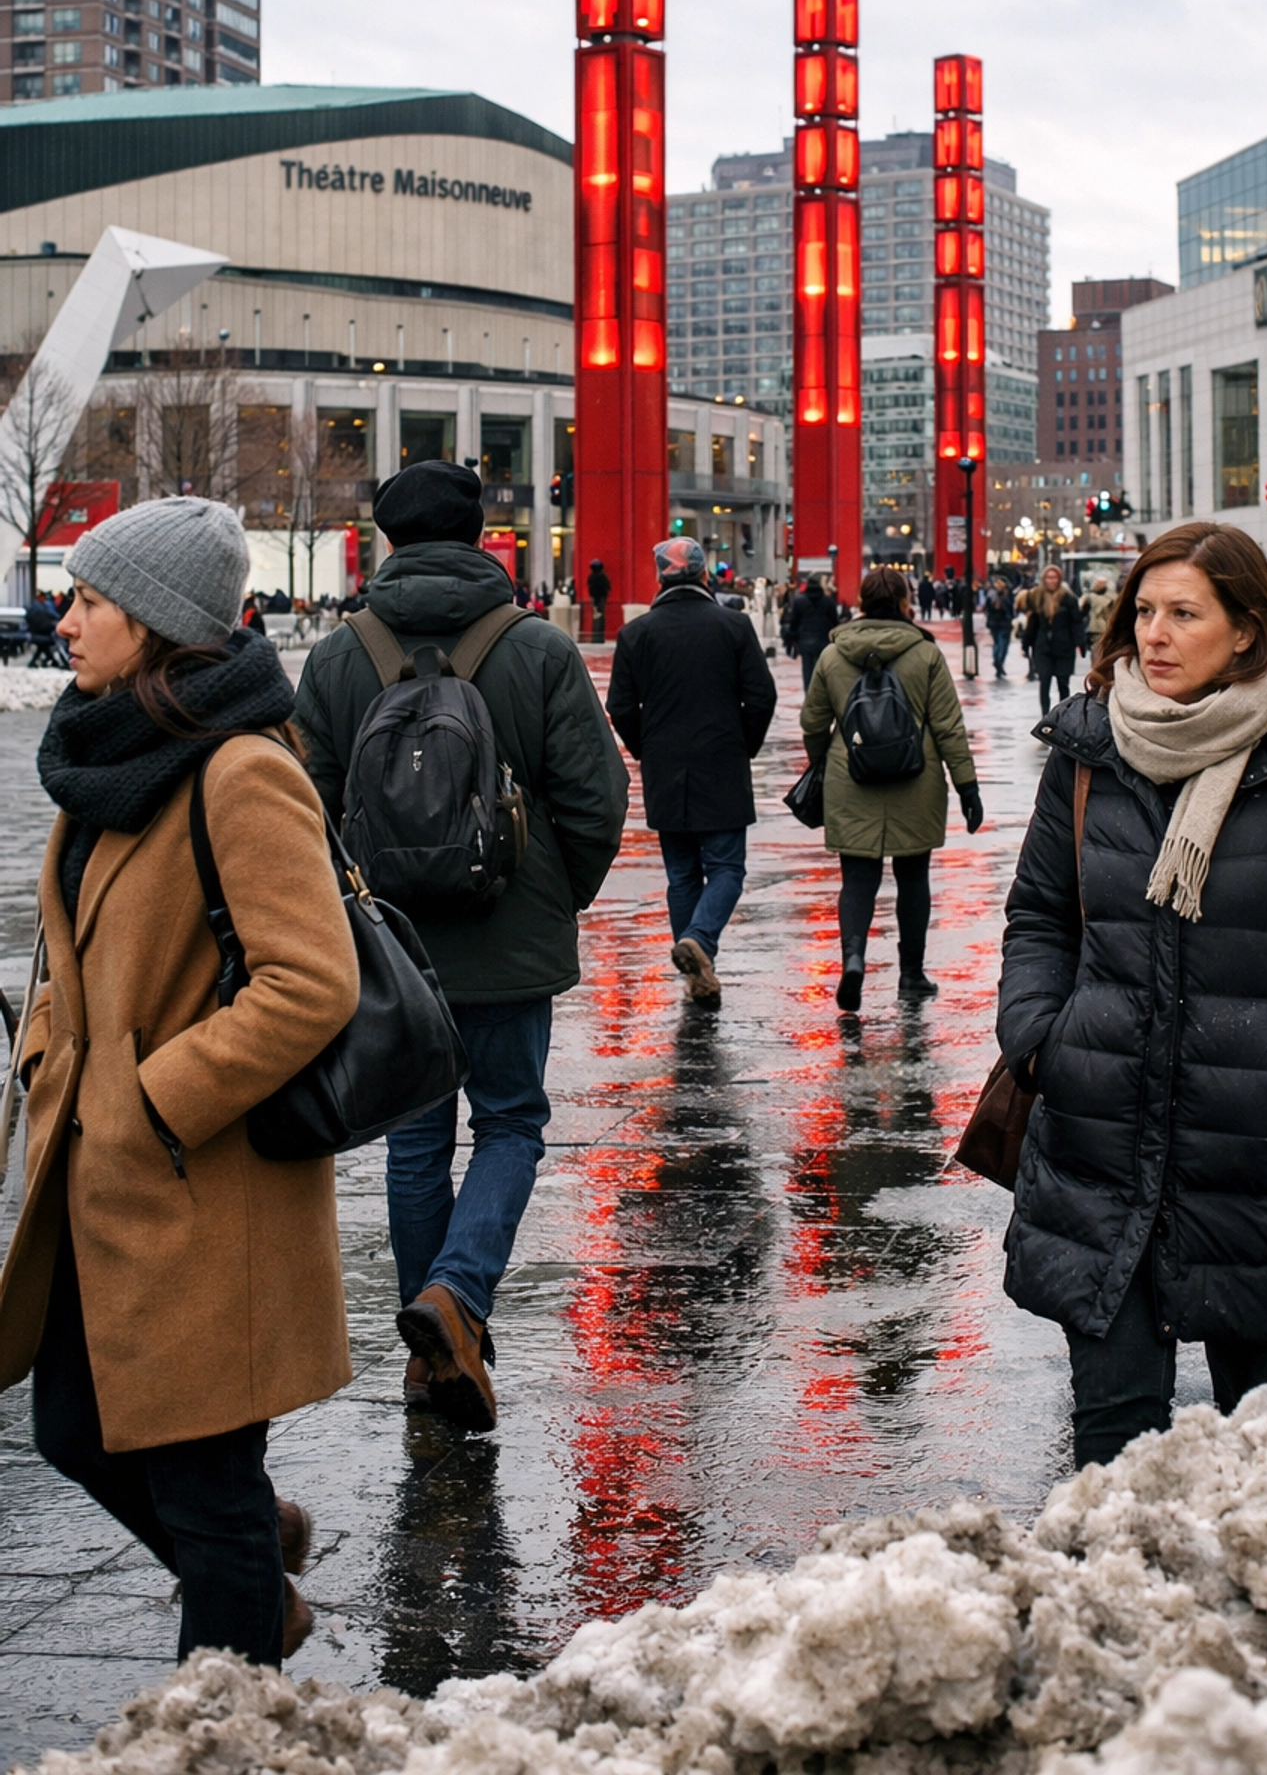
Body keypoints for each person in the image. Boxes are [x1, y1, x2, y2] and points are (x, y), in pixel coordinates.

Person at [0, 496, 361, 1668]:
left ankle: (227, 1718)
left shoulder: (239, 770)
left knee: (203, 1492)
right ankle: (256, 1568)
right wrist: (52, 1050)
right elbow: (74, 947)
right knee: (71, 1428)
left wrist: (158, 1098)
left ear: (153, 623)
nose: (67, 618)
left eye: (92, 601)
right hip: (105, 1180)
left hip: (206, 1197)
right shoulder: (101, 750)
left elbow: (312, 984)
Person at [996, 520, 1267, 1471]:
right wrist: (1040, 1039)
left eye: (1183, 613)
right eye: (1143, 611)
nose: (1152, 632)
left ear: (1246, 629)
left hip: (1264, 1155)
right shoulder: (1089, 756)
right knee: (1112, 1451)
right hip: (1101, 1143)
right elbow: (1039, 917)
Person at [294, 461, 627, 1433]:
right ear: (483, 535)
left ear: (388, 539)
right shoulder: (535, 646)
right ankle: (458, 1300)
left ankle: (429, 1353)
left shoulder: (339, 655)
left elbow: (303, 806)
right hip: (507, 936)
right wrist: (554, 898)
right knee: (512, 1123)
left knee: (415, 1141)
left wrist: (351, 904)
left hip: (392, 941)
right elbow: (596, 798)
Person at [801, 564, 982, 1013]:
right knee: (912, 877)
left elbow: (811, 722)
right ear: (906, 602)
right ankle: (911, 975)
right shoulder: (925, 655)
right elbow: (948, 728)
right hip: (915, 779)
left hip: (851, 779)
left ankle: (855, 958)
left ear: (860, 602)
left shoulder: (832, 655)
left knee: (857, 880)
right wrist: (967, 787)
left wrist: (824, 760)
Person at [607, 537, 777, 1003]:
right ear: (705, 576)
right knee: (726, 868)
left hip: (666, 769)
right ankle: (699, 942)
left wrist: (647, 747)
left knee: (682, 875)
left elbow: (619, 705)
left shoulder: (636, 634)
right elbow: (762, 696)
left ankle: (698, 975)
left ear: (659, 576)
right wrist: (743, 744)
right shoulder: (734, 626)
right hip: (721, 762)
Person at [1020, 565, 1086, 717]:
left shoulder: (1068, 599)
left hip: (1064, 647)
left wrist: (1080, 642)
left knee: (1063, 682)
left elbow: (1076, 622)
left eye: (1054, 577)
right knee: (1044, 680)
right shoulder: (1037, 597)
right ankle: (1045, 715)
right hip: (1043, 647)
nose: (1051, 581)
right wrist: (1025, 644)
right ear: (1044, 579)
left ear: (1059, 579)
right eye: (1048, 577)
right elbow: (1033, 624)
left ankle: (1063, 716)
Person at [786, 573, 838, 691]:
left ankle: (809, 697)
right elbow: (835, 622)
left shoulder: (799, 601)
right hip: (823, 642)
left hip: (805, 641)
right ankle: (821, 695)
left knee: (807, 672)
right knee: (823, 671)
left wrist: (792, 637)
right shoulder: (828, 602)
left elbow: (794, 622)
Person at [982, 575, 1016, 678]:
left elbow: (987, 609)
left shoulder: (992, 594)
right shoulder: (1004, 595)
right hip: (1001, 622)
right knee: (1002, 644)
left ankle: (998, 663)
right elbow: (1010, 608)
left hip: (997, 623)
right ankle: (998, 662)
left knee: (998, 644)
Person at [1080, 575, 1118, 648]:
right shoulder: (1089, 596)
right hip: (1099, 629)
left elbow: (1080, 608)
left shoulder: (1089, 596)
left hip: (1099, 629)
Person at [586, 557, 612, 644]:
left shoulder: (591, 577)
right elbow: (608, 587)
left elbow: (590, 588)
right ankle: (600, 638)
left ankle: (595, 637)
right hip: (601, 599)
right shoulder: (603, 577)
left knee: (595, 618)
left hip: (594, 599)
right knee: (601, 618)